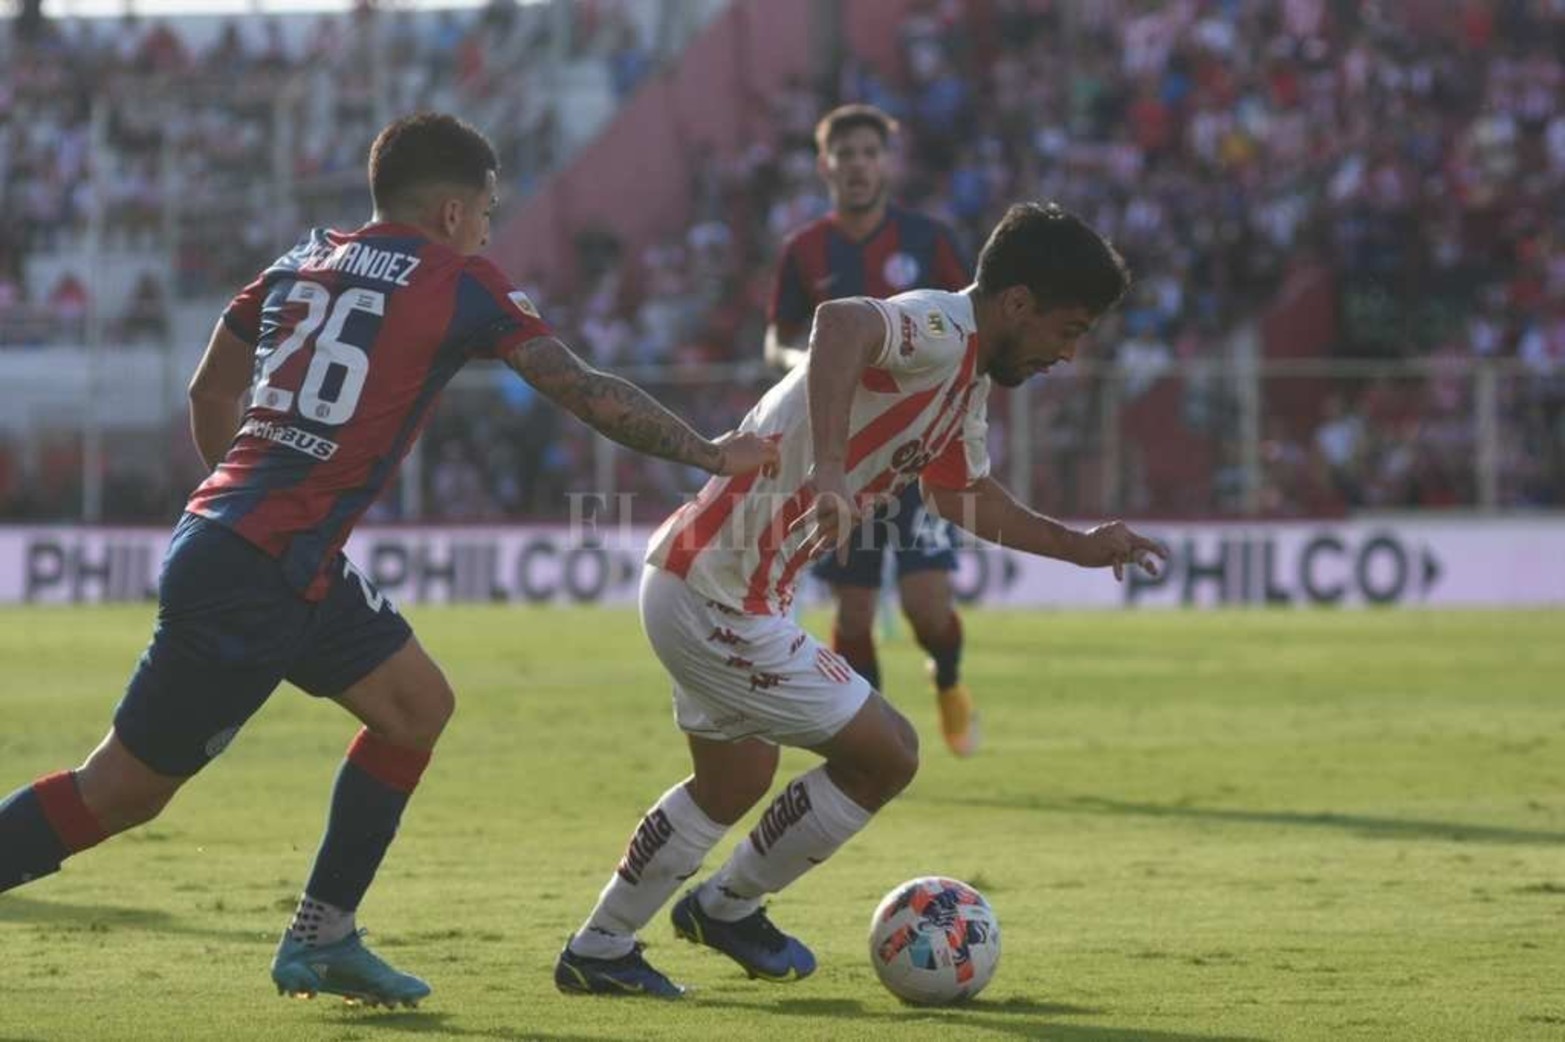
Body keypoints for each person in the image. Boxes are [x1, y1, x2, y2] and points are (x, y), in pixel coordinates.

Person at [0, 113, 776, 1008]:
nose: (488, 228)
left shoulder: (299, 261)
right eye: (486, 210)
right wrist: (710, 453)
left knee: (415, 706)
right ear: (451, 212)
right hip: (260, 570)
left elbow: (210, 388)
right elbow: (584, 390)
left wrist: (246, 502)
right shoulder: (458, 279)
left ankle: (324, 934)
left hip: (258, 548)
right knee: (121, 792)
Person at [555, 201, 1167, 998]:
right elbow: (839, 322)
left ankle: (602, 948)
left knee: (732, 783)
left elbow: (960, 496)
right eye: (1068, 329)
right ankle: (724, 908)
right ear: (1018, 303)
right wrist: (833, 470)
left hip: (713, 584)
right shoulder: (940, 328)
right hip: (717, 594)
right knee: (888, 753)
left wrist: (1078, 546)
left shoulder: (967, 383)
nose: (1068, 353)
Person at [765, 103, 979, 757]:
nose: (857, 165)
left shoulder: (929, 241)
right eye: (845, 154)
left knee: (926, 608)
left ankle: (947, 678)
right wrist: (809, 361)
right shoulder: (804, 250)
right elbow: (776, 339)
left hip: (919, 449)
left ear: (886, 163)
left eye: (868, 153)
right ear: (824, 165)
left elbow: (973, 324)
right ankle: (876, 739)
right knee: (853, 613)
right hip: (845, 455)